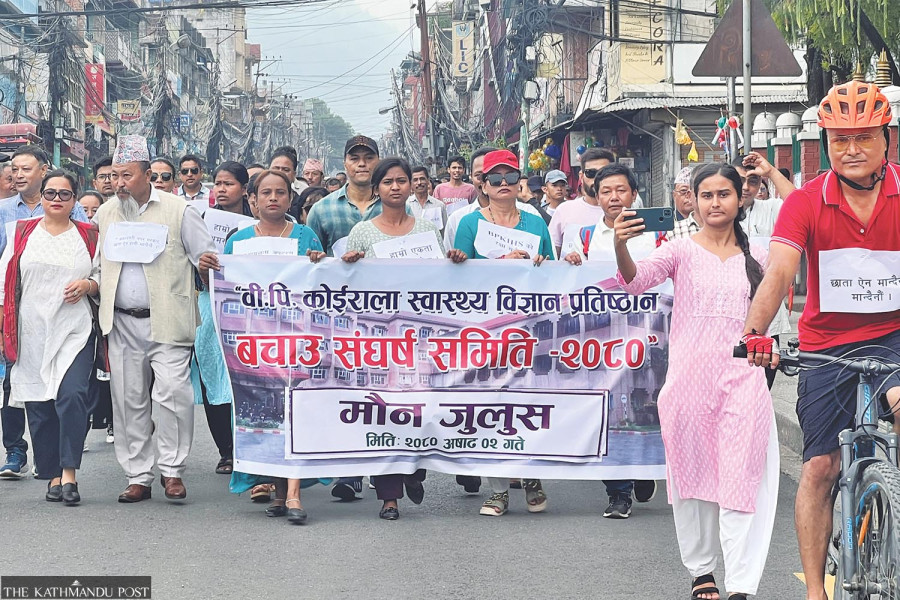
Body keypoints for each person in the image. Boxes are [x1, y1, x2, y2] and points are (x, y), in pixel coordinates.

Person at [741, 81, 900, 600]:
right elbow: (780, 271)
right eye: (839, 139)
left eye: (863, 137)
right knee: (819, 467)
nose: (851, 149)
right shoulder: (806, 202)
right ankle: (815, 590)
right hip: (825, 347)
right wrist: (754, 332)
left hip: (894, 339)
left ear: (886, 141)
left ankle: (891, 505)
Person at [616, 162, 778, 600]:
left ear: (740, 197)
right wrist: (620, 246)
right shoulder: (680, 250)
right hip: (687, 384)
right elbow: (635, 283)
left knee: (741, 480)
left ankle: (742, 584)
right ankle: (702, 570)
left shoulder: (760, 256)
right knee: (691, 482)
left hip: (744, 380)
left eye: (723, 194)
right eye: (706, 195)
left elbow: (777, 303)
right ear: (693, 200)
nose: (715, 203)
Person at [95, 135, 217, 504]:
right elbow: (100, 266)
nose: (118, 184)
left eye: (126, 176)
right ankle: (138, 475)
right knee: (128, 398)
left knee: (173, 395)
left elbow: (205, 258)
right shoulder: (106, 213)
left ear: (148, 174)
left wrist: (209, 268)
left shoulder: (179, 210)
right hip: (120, 323)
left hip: (168, 319)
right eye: (115, 176)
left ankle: (172, 471)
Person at [453, 149, 552, 517]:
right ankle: (497, 490)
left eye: (510, 177)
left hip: (528, 329)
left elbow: (552, 271)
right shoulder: (469, 224)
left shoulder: (535, 222)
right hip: (485, 329)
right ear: (483, 184)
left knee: (530, 405)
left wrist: (544, 264)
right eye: (496, 179)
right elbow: (456, 278)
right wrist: (477, 263)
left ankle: (532, 476)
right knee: (490, 407)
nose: (504, 184)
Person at [224, 169, 325, 524]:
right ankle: (279, 490)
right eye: (265, 193)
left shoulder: (305, 235)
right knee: (268, 414)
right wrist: (211, 266)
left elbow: (324, 284)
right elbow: (227, 287)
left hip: (299, 337)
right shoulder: (237, 241)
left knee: (297, 411)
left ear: (289, 198)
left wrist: (318, 263)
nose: (273, 198)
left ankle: (295, 494)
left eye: (280, 192)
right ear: (252, 200)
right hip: (257, 343)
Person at [563, 163, 660, 519]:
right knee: (609, 411)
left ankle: (644, 469)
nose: (614, 197)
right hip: (602, 342)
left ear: (634, 194)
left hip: (652, 339)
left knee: (649, 405)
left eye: (621, 190)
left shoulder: (659, 235)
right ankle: (618, 491)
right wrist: (570, 261)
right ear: (596, 197)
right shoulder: (584, 237)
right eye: (606, 191)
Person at [0, 170, 100, 505]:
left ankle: (69, 473)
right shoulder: (21, 232)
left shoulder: (88, 235)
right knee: (39, 404)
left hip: (74, 329)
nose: (56, 200)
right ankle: (52, 474)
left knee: (72, 396)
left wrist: (88, 286)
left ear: (74, 200)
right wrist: (3, 329)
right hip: (31, 330)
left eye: (64, 194)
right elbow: (5, 282)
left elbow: (102, 275)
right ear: (41, 197)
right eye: (50, 193)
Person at [443, 147, 542, 252]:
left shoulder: (533, 216)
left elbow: (549, 261)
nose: (503, 183)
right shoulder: (460, 220)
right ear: (472, 177)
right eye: (494, 178)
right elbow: (452, 264)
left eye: (510, 176)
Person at [306, 135, 382, 257]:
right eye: (354, 158)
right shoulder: (320, 210)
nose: (362, 164)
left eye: (369, 158)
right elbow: (312, 259)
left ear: (378, 162)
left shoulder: (396, 208)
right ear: (345, 164)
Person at [548, 148, 615, 258]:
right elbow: (551, 254)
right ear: (581, 176)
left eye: (603, 173)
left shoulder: (623, 212)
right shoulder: (564, 210)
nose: (597, 178)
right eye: (591, 173)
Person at [406, 165, 446, 232]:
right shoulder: (406, 205)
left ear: (428, 180)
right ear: (411, 183)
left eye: (422, 179)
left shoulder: (439, 205)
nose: (419, 183)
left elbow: (444, 231)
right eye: (415, 180)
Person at [269, 147, 304, 221]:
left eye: (286, 170)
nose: (280, 173)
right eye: (276, 168)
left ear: (294, 175)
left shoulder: (301, 204)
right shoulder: (260, 199)